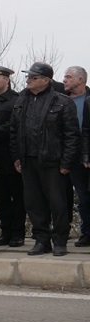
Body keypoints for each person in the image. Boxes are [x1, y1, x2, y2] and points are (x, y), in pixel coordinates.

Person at [12, 62, 80, 256]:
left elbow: (71, 135)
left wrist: (66, 162)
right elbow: (14, 131)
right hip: (28, 160)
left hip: (53, 162)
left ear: (46, 80)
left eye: (33, 78)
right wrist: (16, 156)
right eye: (28, 77)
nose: (28, 81)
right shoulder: (21, 101)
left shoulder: (62, 102)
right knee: (34, 203)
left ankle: (60, 240)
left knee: (57, 203)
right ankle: (41, 240)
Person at [0, 65, 26, 248]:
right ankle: (6, 231)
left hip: (10, 156)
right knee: (1, 196)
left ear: (7, 80)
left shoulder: (16, 100)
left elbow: (14, 126)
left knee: (17, 196)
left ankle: (18, 233)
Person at [65, 66, 90, 247]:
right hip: (72, 157)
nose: (64, 80)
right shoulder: (62, 101)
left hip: (88, 155)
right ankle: (86, 233)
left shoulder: (89, 100)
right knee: (82, 198)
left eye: (68, 77)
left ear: (80, 80)